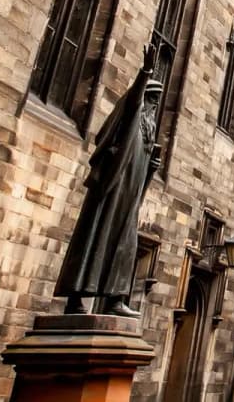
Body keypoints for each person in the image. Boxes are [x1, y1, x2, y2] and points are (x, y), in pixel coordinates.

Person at [55, 45, 163, 316]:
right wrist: (145, 71)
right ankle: (76, 298)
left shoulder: (146, 135)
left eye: (156, 103)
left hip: (129, 199)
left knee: (126, 245)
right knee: (96, 239)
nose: (153, 108)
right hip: (112, 193)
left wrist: (152, 168)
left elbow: (141, 173)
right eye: (151, 100)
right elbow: (134, 102)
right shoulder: (131, 121)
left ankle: (115, 299)